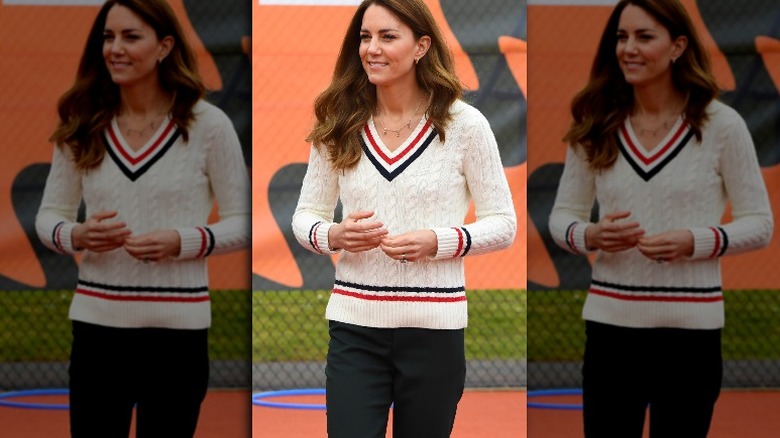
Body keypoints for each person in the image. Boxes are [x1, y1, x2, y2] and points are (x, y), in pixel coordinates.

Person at [291, 0, 516, 436]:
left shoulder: (466, 125)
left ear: (421, 46)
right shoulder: (338, 122)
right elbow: (306, 216)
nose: (372, 49)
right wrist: (334, 234)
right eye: (365, 37)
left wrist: (438, 240)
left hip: (435, 331)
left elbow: (503, 223)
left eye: (387, 37)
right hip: (355, 328)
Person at [548, 0, 773, 436]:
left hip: (693, 336)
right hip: (611, 331)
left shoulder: (722, 126)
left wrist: (694, 240)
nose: (628, 49)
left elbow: (760, 223)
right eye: (622, 37)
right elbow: (562, 218)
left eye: (644, 37)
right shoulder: (596, 123)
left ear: (678, 47)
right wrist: (592, 234)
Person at [35, 0, 249, 436]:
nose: (114, 48)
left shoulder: (210, 125)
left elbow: (243, 222)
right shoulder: (83, 120)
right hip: (97, 331)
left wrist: (183, 240)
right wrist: (77, 234)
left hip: (179, 337)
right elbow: (48, 217)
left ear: (164, 46)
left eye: (131, 37)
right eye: (108, 37)